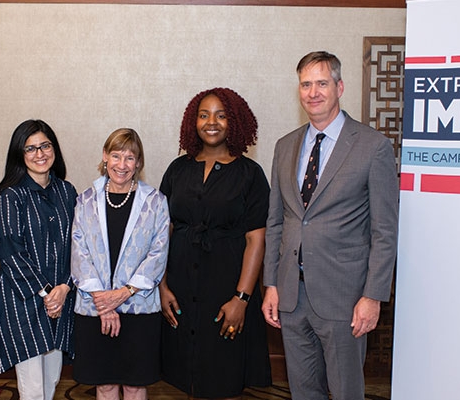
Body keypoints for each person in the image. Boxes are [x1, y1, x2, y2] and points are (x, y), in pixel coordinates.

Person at [261, 51, 399, 400]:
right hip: (292, 295)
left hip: (345, 297)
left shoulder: (373, 147)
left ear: (339, 87)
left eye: (322, 83)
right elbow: (276, 221)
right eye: (305, 84)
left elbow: (385, 231)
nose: (313, 92)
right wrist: (271, 284)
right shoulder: (285, 146)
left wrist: (373, 296)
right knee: (303, 392)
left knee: (345, 391)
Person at [159, 87, 272, 399]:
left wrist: (241, 300)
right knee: (184, 377)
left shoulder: (250, 174)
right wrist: (161, 286)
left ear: (234, 122)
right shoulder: (177, 169)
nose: (212, 122)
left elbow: (256, 240)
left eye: (222, 115)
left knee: (224, 376)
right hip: (179, 288)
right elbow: (160, 233)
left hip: (226, 288)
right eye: (204, 114)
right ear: (192, 122)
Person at [71, 128, 169, 400]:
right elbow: (79, 253)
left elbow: (158, 254)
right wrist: (104, 302)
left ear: (139, 162)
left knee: (136, 385)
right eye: (116, 156)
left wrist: (122, 294)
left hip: (139, 309)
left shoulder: (155, 202)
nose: (122, 165)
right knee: (104, 384)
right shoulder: (85, 200)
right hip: (94, 307)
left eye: (130, 158)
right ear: (105, 157)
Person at [0, 119, 77, 399]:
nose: (40, 154)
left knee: (50, 383)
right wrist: (48, 293)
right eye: (30, 148)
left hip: (62, 301)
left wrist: (64, 288)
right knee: (33, 390)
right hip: (24, 303)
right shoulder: (11, 197)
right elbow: (12, 255)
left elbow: (80, 246)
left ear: (54, 148)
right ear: (19, 154)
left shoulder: (68, 192)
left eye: (45, 145)